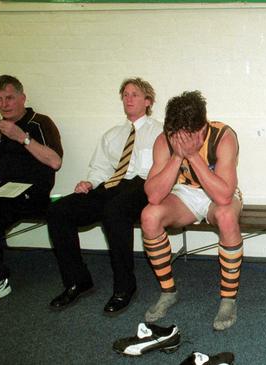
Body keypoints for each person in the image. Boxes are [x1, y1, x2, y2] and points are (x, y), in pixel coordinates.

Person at [47, 78, 162, 314]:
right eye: (125, 95)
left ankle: (124, 287)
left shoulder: (160, 132)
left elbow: (162, 171)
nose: (128, 99)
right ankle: (77, 280)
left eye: (135, 95)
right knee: (59, 210)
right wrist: (89, 182)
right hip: (111, 184)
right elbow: (100, 169)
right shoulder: (112, 134)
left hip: (143, 186)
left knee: (115, 211)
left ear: (147, 101)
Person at [140, 90, 242, 331]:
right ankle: (168, 292)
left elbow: (224, 195)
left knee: (226, 216)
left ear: (200, 129)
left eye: (185, 135)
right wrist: (177, 156)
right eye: (174, 134)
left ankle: (228, 299)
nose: (178, 139)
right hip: (185, 193)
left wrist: (194, 155)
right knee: (149, 215)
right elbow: (153, 195)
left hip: (217, 190)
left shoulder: (223, 136)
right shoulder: (166, 139)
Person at [0, 75, 63, 308]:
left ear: (22, 98)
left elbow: (55, 162)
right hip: (0, 190)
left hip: (33, 193)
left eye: (9, 98)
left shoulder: (40, 123)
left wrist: (21, 137)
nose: (4, 104)